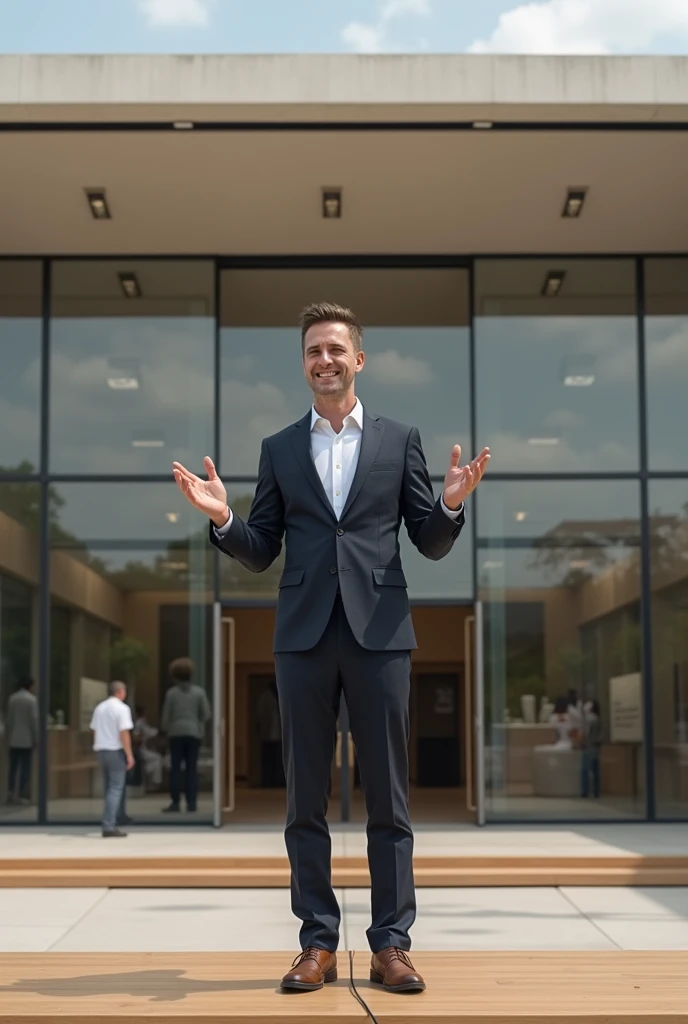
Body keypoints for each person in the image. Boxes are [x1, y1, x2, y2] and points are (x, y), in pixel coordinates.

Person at [173, 301, 489, 994]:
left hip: (380, 635)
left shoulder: (399, 439)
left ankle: (391, 945)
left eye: (336, 349)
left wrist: (452, 506)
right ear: (304, 362)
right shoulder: (281, 449)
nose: (325, 360)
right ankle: (316, 943)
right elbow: (260, 551)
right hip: (304, 637)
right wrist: (224, 515)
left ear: (359, 359)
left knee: (389, 800)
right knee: (304, 801)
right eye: (315, 350)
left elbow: (428, 541)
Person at [160, 657, 211, 813]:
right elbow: (207, 713)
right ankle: (191, 803)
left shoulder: (172, 693)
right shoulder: (199, 692)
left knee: (175, 768)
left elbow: (166, 717)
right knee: (191, 768)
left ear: (174, 675)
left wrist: (166, 729)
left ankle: (175, 802)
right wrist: (199, 726)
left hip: (176, 733)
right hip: (193, 733)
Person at [90, 680, 134, 838]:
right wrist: (129, 754)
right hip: (115, 750)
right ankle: (109, 825)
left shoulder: (99, 708)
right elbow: (124, 733)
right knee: (116, 788)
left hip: (102, 750)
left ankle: (119, 816)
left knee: (110, 787)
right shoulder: (122, 708)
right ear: (120, 692)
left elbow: (94, 730)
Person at [6, 678, 38, 805]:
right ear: (29, 686)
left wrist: (8, 737)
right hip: (26, 740)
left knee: (13, 768)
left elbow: (9, 720)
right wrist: (36, 738)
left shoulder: (12, 699)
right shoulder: (32, 700)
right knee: (25, 768)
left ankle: (10, 792)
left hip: (13, 739)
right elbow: (34, 721)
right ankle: (21, 794)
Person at [256, 680, 284, 788]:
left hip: (279, 736)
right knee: (267, 760)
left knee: (278, 760)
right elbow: (259, 714)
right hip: (267, 735)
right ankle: (267, 781)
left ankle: (277, 780)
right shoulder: (265, 697)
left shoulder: (280, 696)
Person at [133, 705, 164, 790]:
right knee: (158, 758)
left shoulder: (142, 722)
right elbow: (146, 733)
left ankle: (153, 782)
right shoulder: (140, 722)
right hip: (141, 749)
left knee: (157, 761)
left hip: (144, 748)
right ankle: (154, 782)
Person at [581, 699, 603, 799]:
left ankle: (584, 792)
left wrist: (582, 742)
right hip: (596, 747)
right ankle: (596, 791)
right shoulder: (598, 718)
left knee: (585, 770)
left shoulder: (588, 719)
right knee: (596, 770)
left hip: (588, 746)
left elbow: (586, 733)